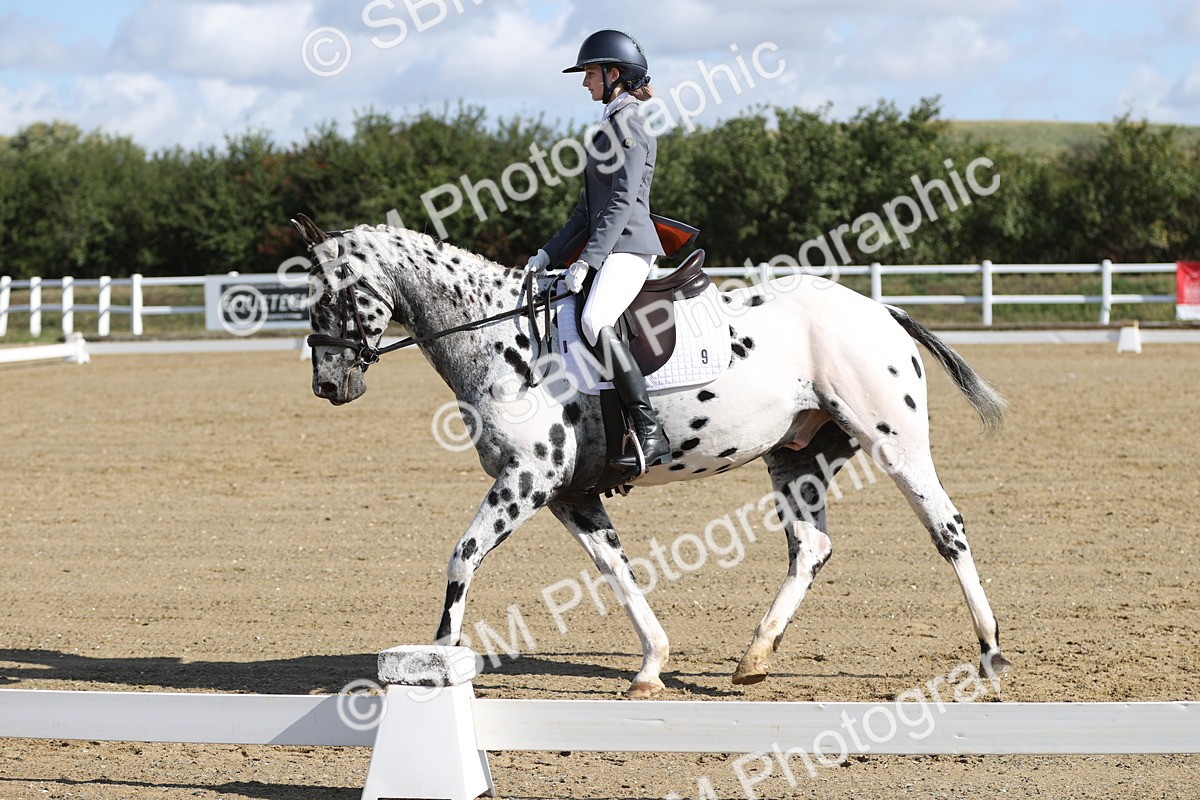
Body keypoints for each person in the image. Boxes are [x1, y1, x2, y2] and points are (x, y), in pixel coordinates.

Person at [525, 29, 671, 477]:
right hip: (609, 245)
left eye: (589, 73)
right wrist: (548, 255)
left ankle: (649, 429)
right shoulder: (607, 127)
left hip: (629, 247)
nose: (584, 81)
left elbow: (623, 203)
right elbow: (586, 213)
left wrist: (587, 260)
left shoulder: (629, 126)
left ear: (615, 74)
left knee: (594, 320)